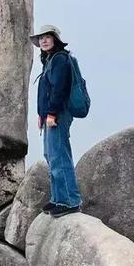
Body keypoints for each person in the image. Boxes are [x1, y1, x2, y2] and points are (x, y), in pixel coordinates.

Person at [30, 24, 83, 217]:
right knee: (51, 155)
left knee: (59, 156)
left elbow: (59, 88)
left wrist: (51, 114)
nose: (43, 41)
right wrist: (41, 114)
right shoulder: (50, 60)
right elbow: (45, 91)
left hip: (58, 114)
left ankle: (70, 201)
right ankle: (58, 198)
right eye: (41, 38)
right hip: (50, 115)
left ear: (55, 40)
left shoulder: (60, 59)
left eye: (47, 37)